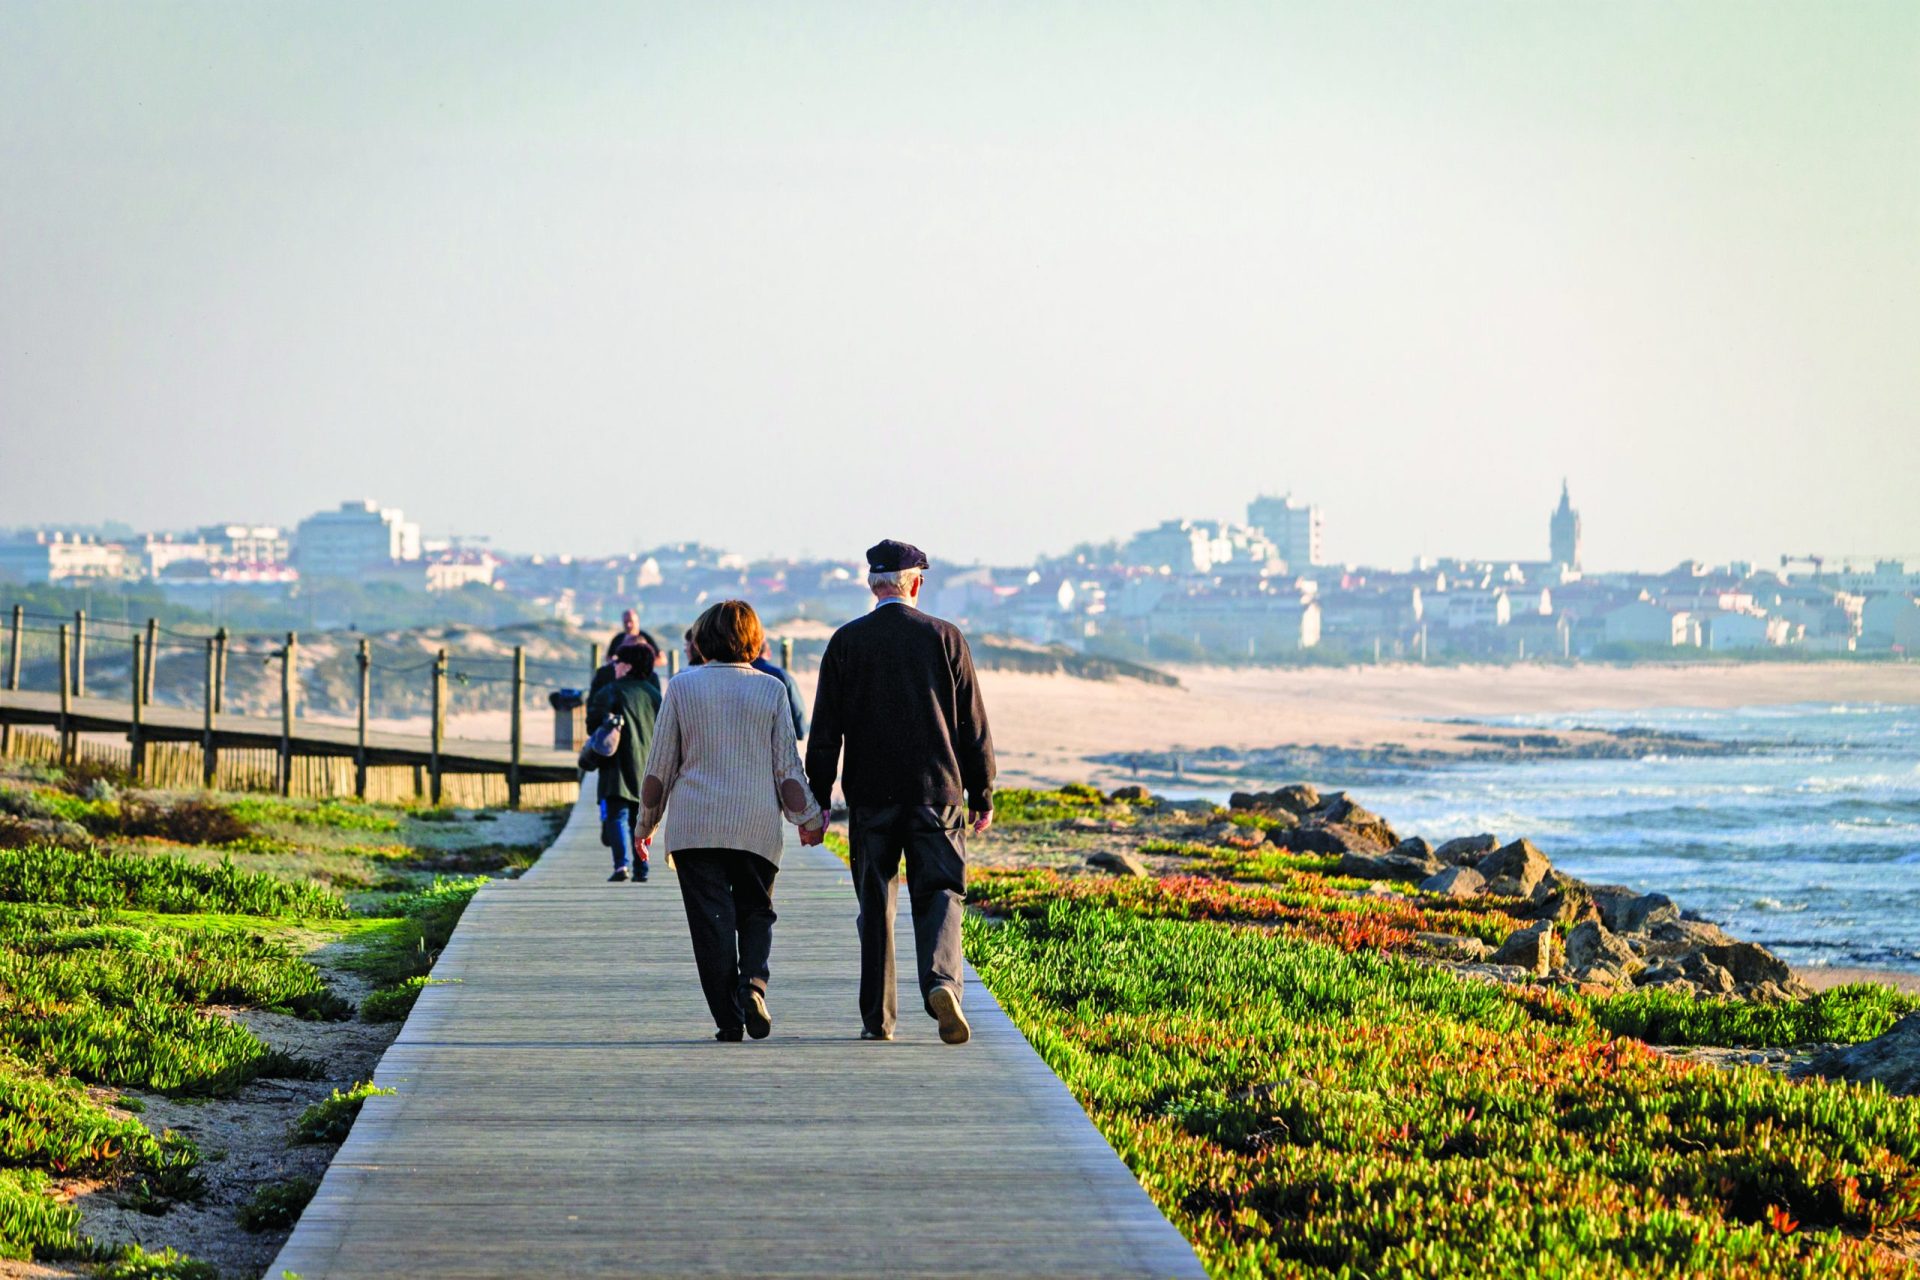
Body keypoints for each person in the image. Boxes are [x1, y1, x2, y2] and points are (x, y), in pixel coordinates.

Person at [806, 539, 995, 1045]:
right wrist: (983, 791)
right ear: (916, 583)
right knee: (940, 893)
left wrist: (817, 799)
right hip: (938, 792)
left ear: (874, 585)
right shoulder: (945, 637)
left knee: (876, 906)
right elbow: (972, 725)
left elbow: (826, 731)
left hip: (870, 797)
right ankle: (940, 982)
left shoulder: (846, 642)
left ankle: (878, 1021)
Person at [638, 601, 826, 1042]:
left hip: (694, 828)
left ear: (703, 640)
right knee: (756, 912)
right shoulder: (771, 689)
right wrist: (810, 818)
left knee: (711, 925)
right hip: (755, 825)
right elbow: (787, 771)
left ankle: (729, 1019)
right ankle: (753, 987)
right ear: (754, 640)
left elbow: (658, 769)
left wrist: (645, 826)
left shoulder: (682, 687)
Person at [585, 641, 661, 882]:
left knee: (615, 815)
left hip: (615, 764)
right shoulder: (654, 694)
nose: (614, 666)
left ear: (627, 666)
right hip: (648, 766)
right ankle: (642, 869)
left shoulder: (610, 691)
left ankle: (621, 865)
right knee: (640, 820)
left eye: (618, 662)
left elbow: (591, 725)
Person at [751, 639, 808, 740]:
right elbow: (797, 708)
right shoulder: (780, 675)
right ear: (768, 653)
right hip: (775, 740)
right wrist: (800, 731)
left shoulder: (736, 674)